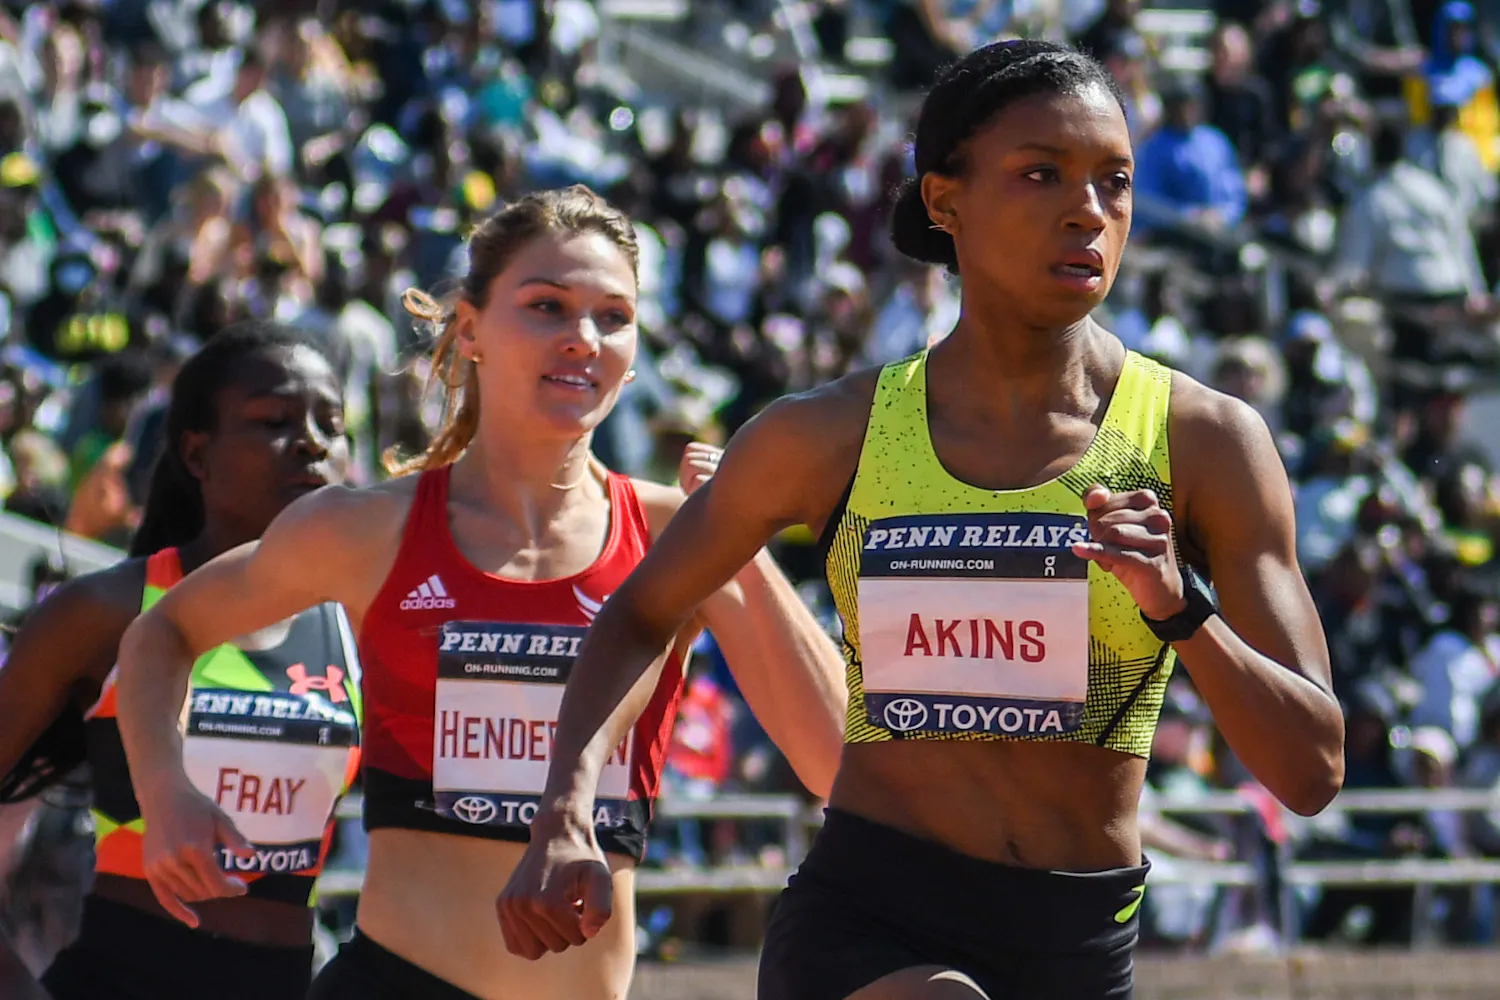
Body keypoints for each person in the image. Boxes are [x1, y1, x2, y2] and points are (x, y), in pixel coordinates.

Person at [499, 41, 1345, 1000]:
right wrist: (564, 809)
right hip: (869, 921)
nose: (1088, 210)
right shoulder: (830, 434)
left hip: (1077, 945)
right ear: (944, 200)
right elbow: (641, 613)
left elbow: (1312, 769)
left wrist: (1181, 609)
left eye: (1114, 181)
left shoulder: (1204, 441)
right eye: (1041, 174)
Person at [114, 186, 846, 1000]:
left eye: (613, 316)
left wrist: (739, 541)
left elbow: (837, 766)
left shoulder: (680, 533)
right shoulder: (367, 528)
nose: (583, 338)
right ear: (470, 329)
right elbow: (160, 634)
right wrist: (165, 792)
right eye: (547, 306)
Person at [0, 321, 360, 1000]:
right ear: (197, 453)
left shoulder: (356, 619)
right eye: (275, 421)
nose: (313, 442)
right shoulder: (105, 610)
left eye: (332, 425)